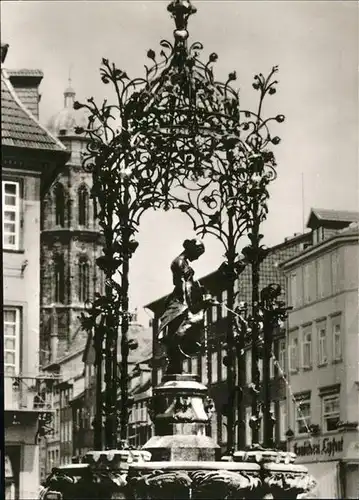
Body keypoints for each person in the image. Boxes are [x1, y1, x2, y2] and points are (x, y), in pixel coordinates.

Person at [158, 238, 212, 374]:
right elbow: (185, 286)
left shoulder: (182, 261)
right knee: (179, 333)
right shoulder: (181, 262)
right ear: (192, 249)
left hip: (179, 301)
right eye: (198, 254)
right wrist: (193, 305)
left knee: (179, 334)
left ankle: (175, 365)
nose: (198, 258)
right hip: (180, 303)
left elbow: (189, 285)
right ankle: (174, 365)